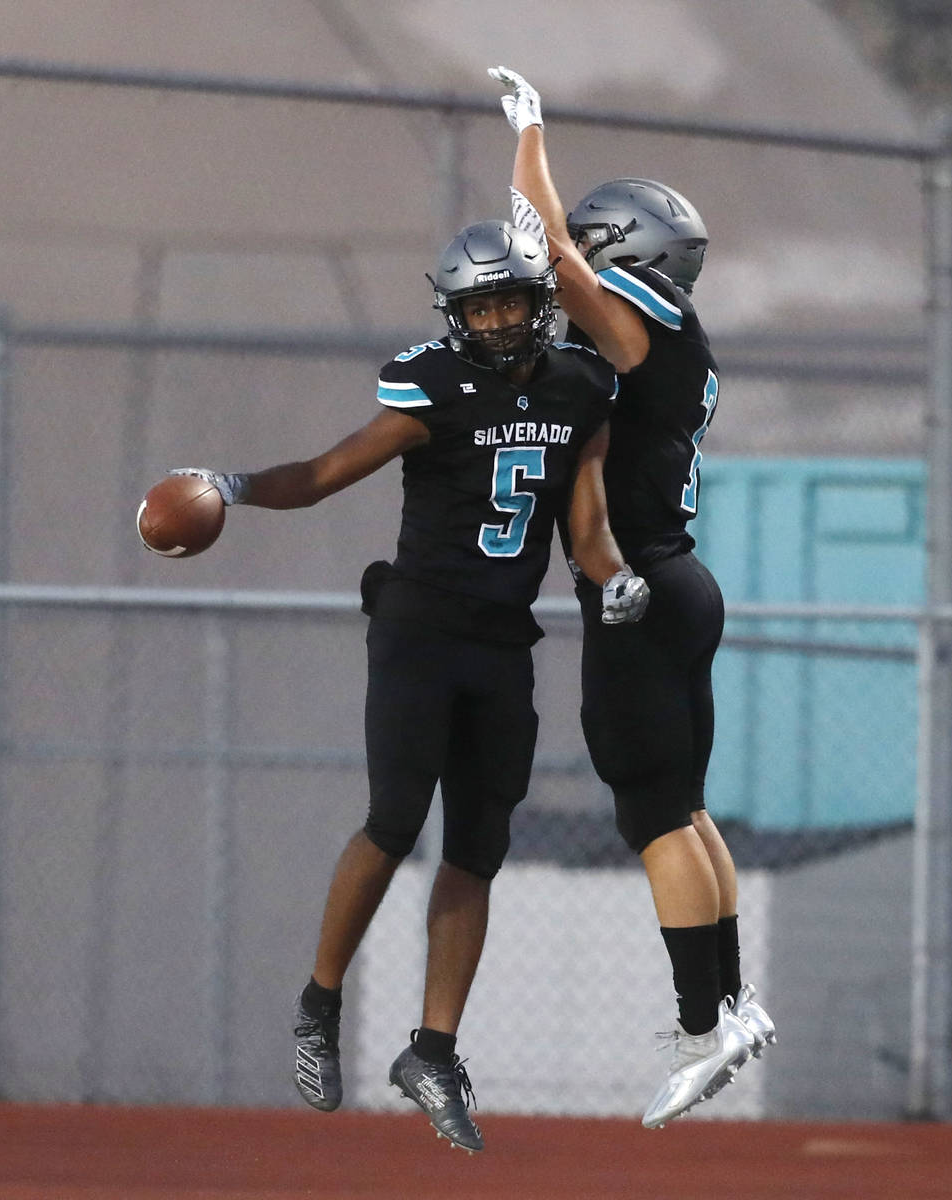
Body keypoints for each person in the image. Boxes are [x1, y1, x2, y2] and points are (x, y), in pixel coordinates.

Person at [164, 217, 648, 1153]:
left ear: (542, 303)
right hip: (419, 630)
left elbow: (585, 525)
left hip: (503, 642)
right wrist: (231, 483)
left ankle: (431, 1049)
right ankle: (320, 1000)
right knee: (393, 821)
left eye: (513, 298)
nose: (502, 319)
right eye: (483, 304)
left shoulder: (582, 387)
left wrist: (616, 577)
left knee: (477, 848)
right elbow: (323, 472)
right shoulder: (431, 381)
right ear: (456, 314)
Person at [489, 66, 776, 1129]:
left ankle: (699, 1030)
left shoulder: (633, 328)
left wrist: (527, 134)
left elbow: (547, 246)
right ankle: (733, 1002)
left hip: (640, 591)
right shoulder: (672, 342)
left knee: (651, 814)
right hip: (680, 582)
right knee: (683, 808)